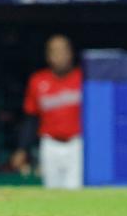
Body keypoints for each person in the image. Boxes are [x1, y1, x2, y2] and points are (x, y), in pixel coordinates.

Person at [11, 35, 83, 190]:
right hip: (50, 144)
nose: (60, 56)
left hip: (76, 143)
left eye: (63, 51)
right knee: (51, 190)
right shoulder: (38, 81)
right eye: (54, 52)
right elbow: (31, 118)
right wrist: (22, 149)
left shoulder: (82, 79)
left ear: (71, 53)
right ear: (48, 56)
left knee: (76, 190)